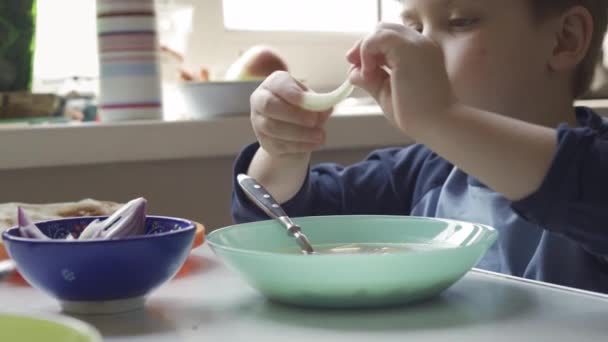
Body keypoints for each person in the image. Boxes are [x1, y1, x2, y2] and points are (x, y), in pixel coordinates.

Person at [231, 0, 608, 294]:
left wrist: (442, 117)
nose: (420, 47)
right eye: (412, 26)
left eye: (461, 20)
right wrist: (283, 151)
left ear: (565, 38)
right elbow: (287, 222)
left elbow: (583, 181)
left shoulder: (595, 172)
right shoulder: (421, 174)